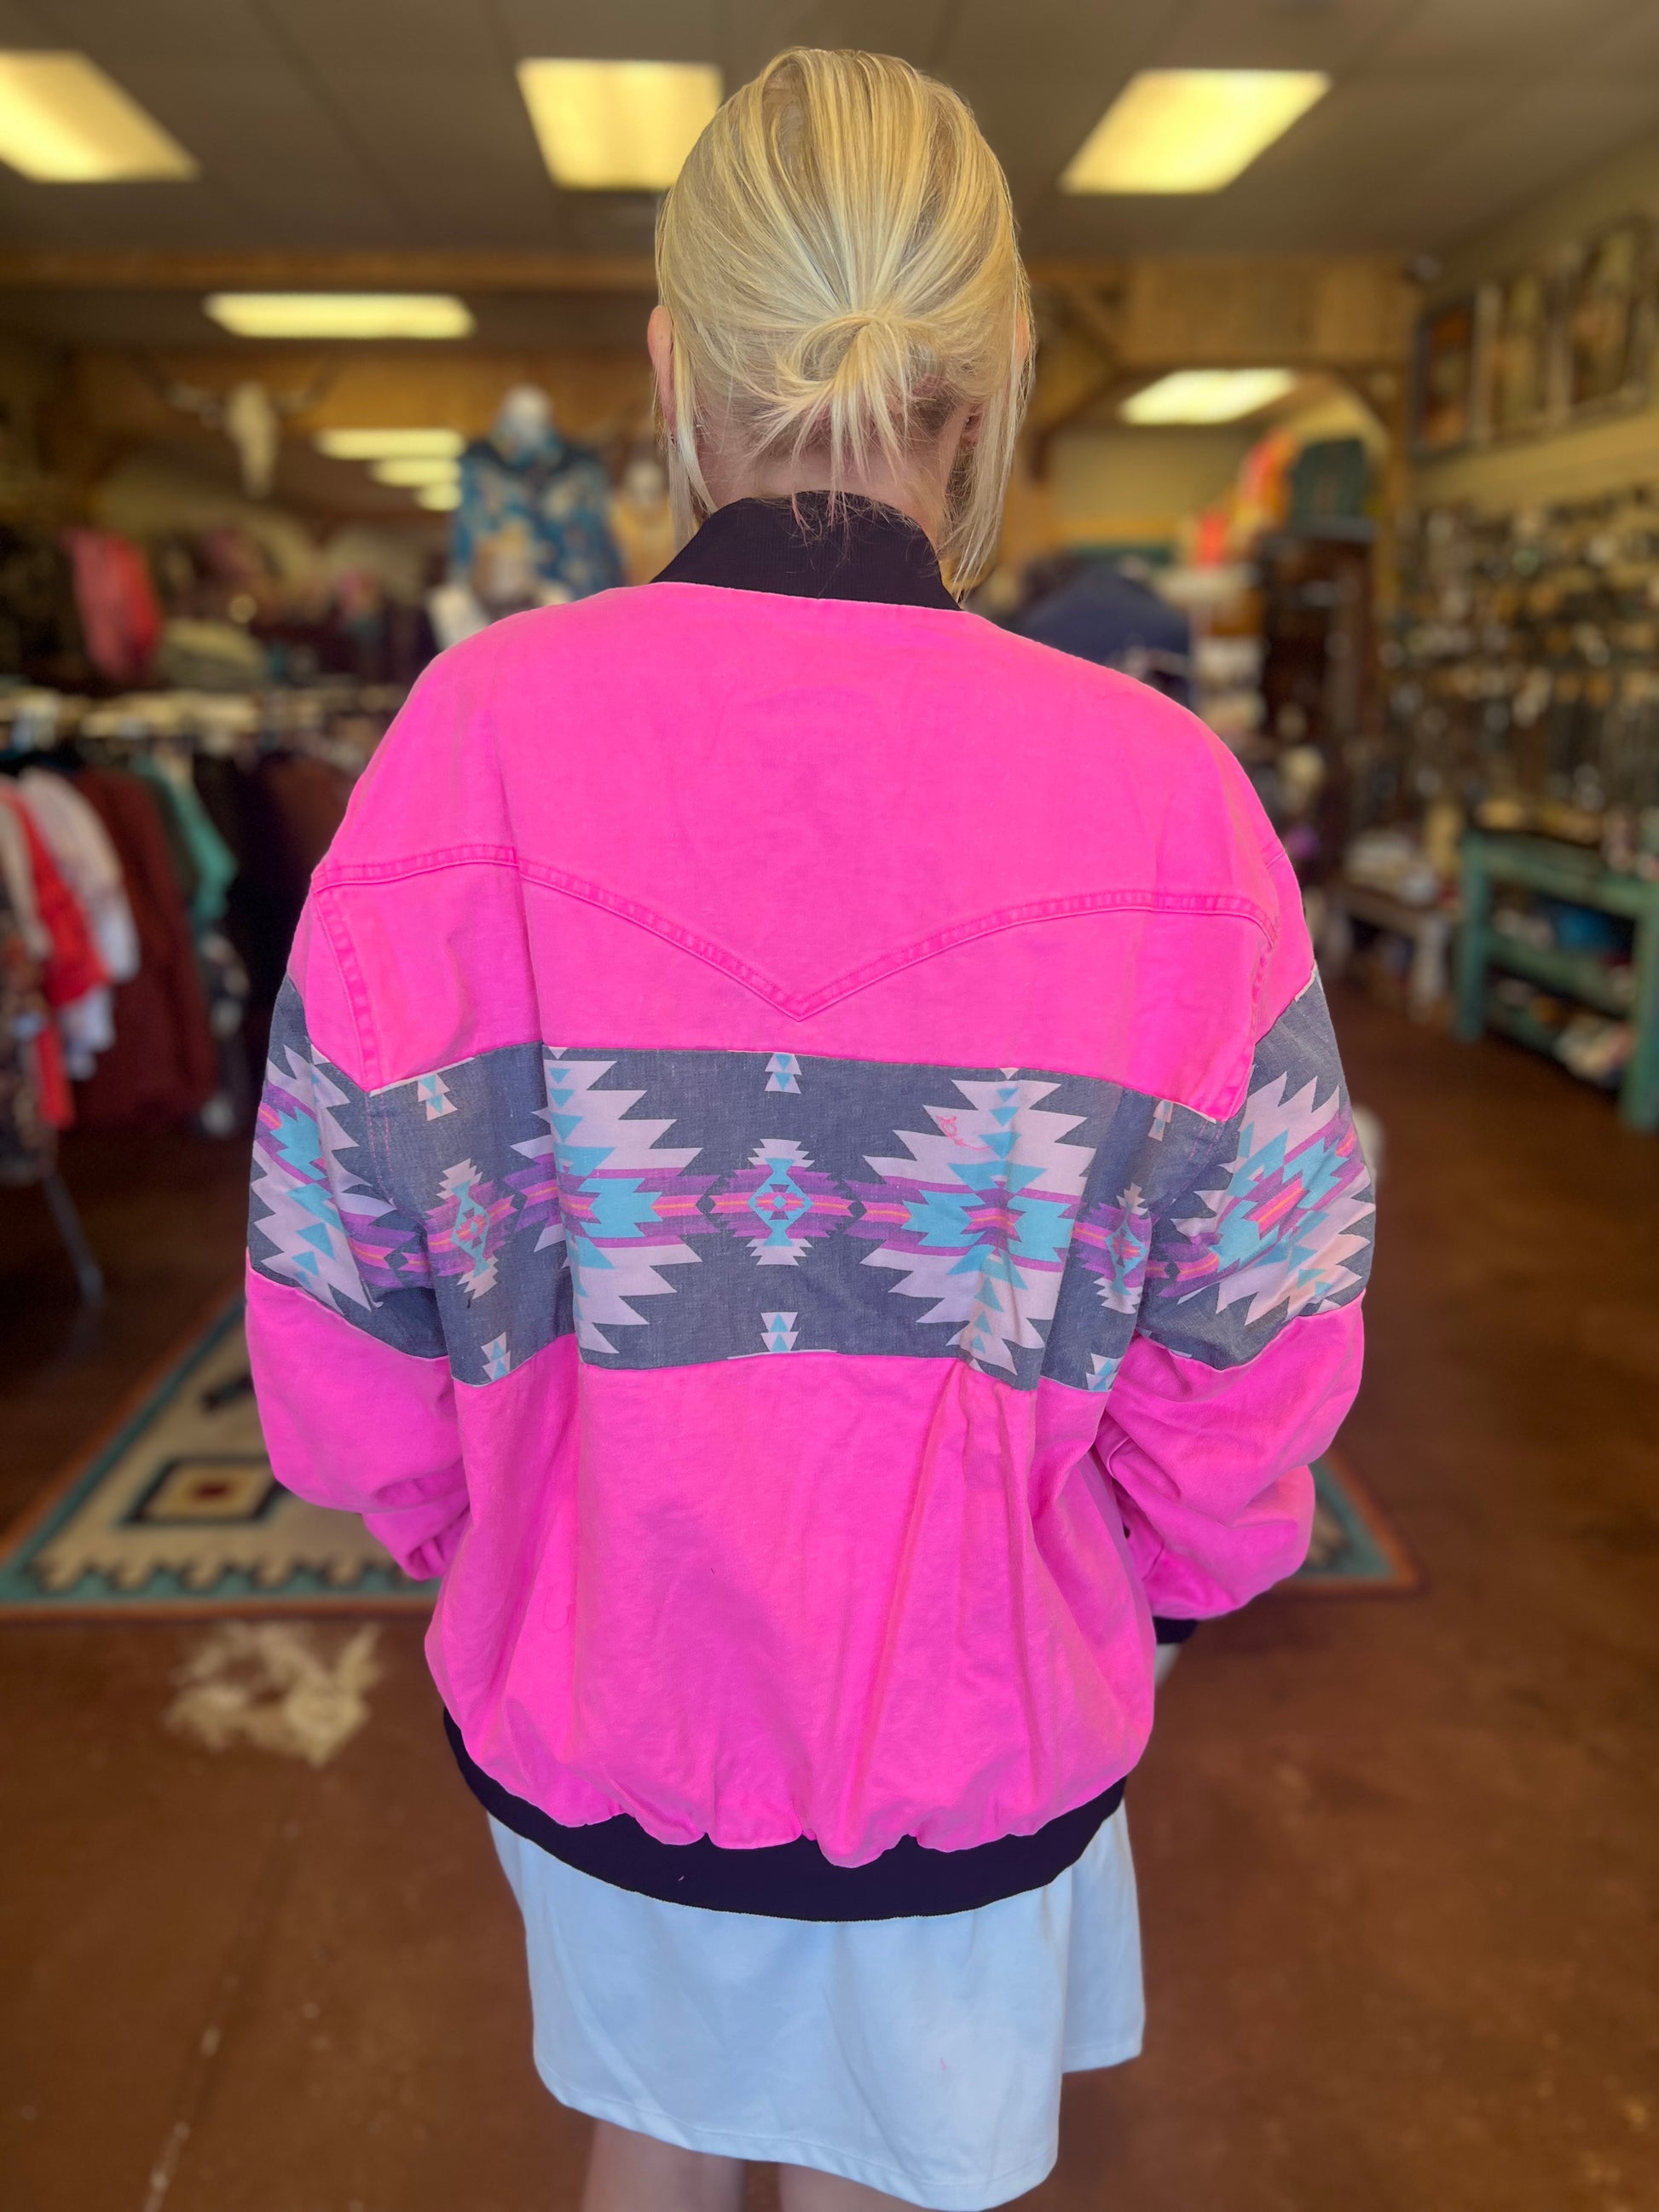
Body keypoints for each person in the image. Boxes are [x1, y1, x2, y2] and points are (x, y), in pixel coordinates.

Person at [246, 48, 1373, 2212]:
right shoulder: (1164, 791)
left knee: (649, 2136)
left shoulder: (471, 737)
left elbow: (335, 1276)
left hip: (598, 1686)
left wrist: (500, 1529)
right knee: (902, 2168)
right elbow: (1264, 1310)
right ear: (996, 373)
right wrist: (1144, 1583)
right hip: (979, 1705)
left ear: (675, 367)